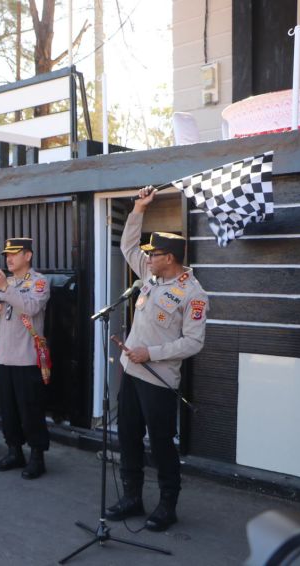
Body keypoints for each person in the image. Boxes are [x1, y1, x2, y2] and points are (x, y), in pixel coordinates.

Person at [105, 185, 209, 532]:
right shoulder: (149, 278)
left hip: (159, 381)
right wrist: (138, 209)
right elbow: (127, 246)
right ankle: (132, 497)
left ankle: (167, 505)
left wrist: (151, 352)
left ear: (170, 258)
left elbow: (193, 343)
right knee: (128, 436)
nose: (147, 258)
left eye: (155, 254)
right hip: (132, 374)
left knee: (162, 444)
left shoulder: (193, 294)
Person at [0, 238, 51, 479]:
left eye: (14, 254)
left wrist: (4, 288)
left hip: (27, 357)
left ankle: (37, 457)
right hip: (5, 357)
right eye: (7, 255)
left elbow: (31, 308)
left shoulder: (39, 281)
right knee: (8, 410)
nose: (9, 258)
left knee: (30, 410)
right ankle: (14, 451)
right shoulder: (5, 282)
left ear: (28, 256)